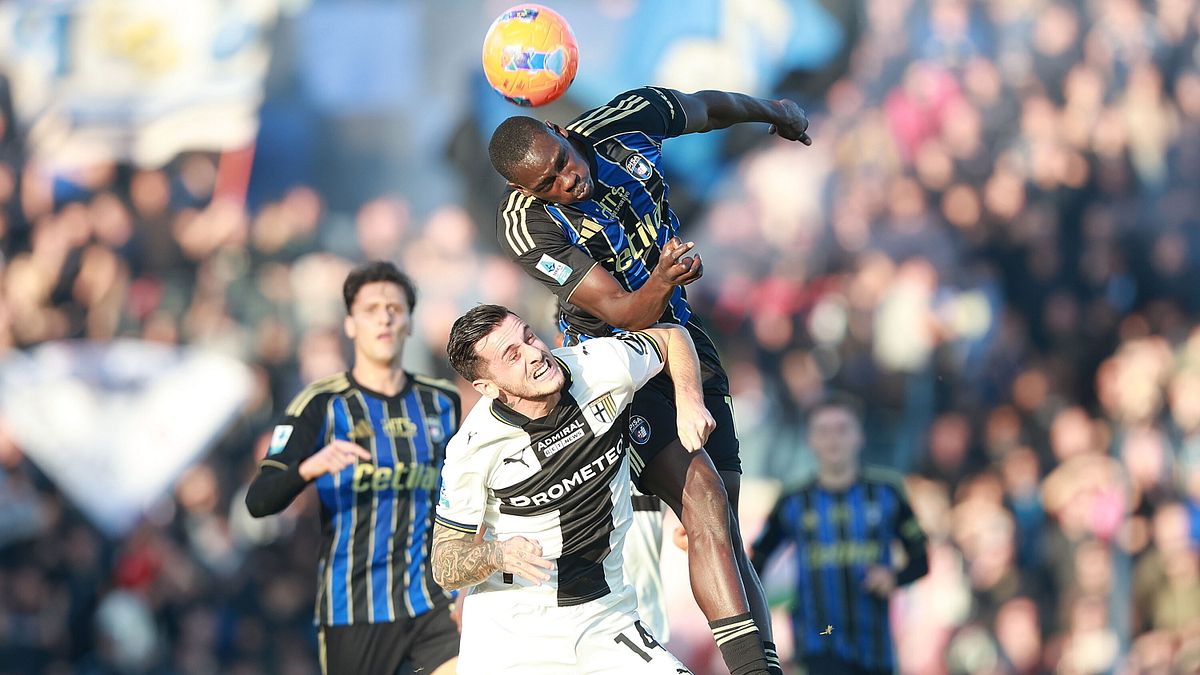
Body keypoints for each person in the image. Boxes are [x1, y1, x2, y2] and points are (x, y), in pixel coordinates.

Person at [487, 85, 812, 675]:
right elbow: (622, 311)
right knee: (703, 496)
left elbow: (707, 108)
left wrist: (776, 111)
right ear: (524, 190)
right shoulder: (526, 227)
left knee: (722, 522)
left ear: (561, 132)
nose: (566, 181)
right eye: (547, 183)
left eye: (562, 163)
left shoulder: (627, 120)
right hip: (615, 364)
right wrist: (663, 276)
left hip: (685, 336)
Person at [431, 303, 710, 674]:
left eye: (529, 336)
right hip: (512, 632)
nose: (534, 354)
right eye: (512, 355)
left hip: (607, 615)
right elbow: (445, 562)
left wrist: (690, 401)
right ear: (487, 387)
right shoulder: (472, 449)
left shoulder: (598, 366)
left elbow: (673, 337)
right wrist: (497, 554)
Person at [245, 261, 460, 675]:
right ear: (350, 324)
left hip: (432, 600)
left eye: (395, 309)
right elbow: (259, 500)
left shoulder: (441, 400)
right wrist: (309, 467)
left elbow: (462, 495)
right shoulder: (320, 403)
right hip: (353, 607)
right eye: (371, 309)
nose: (384, 318)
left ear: (410, 322)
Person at [751, 396, 930, 675]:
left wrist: (894, 577)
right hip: (817, 645)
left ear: (860, 436)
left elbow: (921, 561)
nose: (833, 440)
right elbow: (756, 563)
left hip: (875, 649)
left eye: (842, 429)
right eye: (823, 431)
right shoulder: (792, 502)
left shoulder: (887, 494)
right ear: (810, 439)